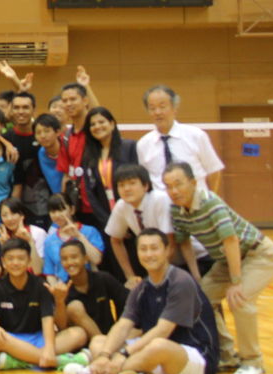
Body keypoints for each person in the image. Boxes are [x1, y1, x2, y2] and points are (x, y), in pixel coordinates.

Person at [64, 228, 220, 374]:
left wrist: (124, 354)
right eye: (143, 249)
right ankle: (134, 373)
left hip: (196, 358)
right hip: (154, 357)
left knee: (158, 345)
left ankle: (99, 373)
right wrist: (104, 355)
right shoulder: (142, 288)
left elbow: (163, 331)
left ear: (167, 250)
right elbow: (123, 325)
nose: (149, 254)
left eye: (154, 248)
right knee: (99, 342)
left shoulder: (180, 281)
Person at [165, 162, 273, 374]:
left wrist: (236, 282)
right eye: (168, 186)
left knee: (240, 300)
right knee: (201, 300)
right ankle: (227, 356)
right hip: (226, 260)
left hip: (257, 254)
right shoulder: (176, 210)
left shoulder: (210, 202)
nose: (174, 191)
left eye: (178, 184)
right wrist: (196, 276)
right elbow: (184, 242)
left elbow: (231, 240)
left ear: (193, 183)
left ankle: (253, 362)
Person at [0, 238, 87, 370]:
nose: (15, 263)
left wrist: (49, 348)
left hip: (38, 339)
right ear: (3, 262)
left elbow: (47, 320)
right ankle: (56, 361)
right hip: (11, 340)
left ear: (29, 261)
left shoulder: (41, 285)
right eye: (10, 259)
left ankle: (22, 360)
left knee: (79, 333)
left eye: (21, 258)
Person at [106, 163, 211, 285]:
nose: (126, 189)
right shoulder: (121, 206)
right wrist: (130, 276)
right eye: (121, 185)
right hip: (163, 266)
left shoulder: (160, 199)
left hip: (196, 260)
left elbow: (170, 244)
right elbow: (115, 241)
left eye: (132, 183)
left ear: (145, 186)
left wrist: (157, 276)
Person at [136, 85, 226, 194]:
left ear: (174, 108)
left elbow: (214, 171)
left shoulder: (196, 135)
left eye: (162, 106)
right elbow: (144, 181)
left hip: (196, 201)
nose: (157, 112)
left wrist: (209, 200)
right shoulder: (143, 144)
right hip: (162, 203)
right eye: (152, 108)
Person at [49, 239, 129, 349]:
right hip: (81, 344)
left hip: (109, 336)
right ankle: (105, 347)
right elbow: (61, 326)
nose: (70, 262)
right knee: (74, 307)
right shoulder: (62, 290)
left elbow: (127, 303)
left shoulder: (103, 278)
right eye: (64, 259)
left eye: (74, 257)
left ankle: (105, 346)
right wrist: (59, 301)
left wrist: (119, 329)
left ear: (85, 259)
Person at [76, 107, 138, 244]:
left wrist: (129, 218)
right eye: (92, 124)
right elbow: (90, 193)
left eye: (101, 122)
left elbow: (138, 182)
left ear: (112, 124)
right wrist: (110, 223)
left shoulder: (129, 147)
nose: (97, 126)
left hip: (132, 215)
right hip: (106, 218)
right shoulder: (88, 155)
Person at [41, 193, 104, 280]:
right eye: (53, 212)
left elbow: (97, 259)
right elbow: (50, 273)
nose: (57, 215)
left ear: (72, 210)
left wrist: (79, 236)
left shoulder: (89, 231)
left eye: (61, 210)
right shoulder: (49, 241)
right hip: (64, 286)